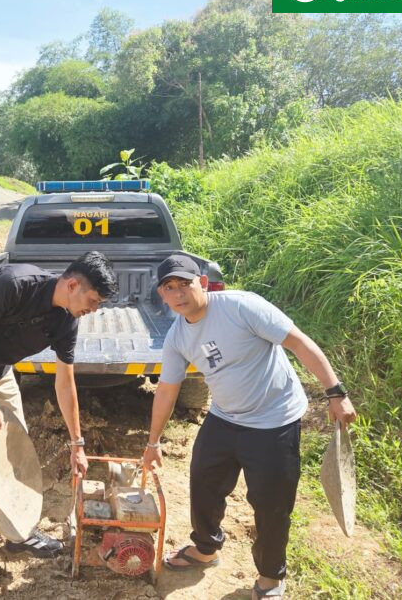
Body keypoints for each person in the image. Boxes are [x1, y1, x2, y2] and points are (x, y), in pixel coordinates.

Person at [141, 255, 357, 599]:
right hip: (225, 416)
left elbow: (298, 342)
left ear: (203, 283)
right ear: (162, 295)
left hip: (274, 420)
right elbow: (167, 389)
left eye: (185, 284)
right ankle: (206, 548)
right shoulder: (177, 337)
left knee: (271, 504)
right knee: (203, 481)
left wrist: (336, 393)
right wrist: (153, 443)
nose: (179, 293)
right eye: (170, 287)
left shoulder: (241, 307)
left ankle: (271, 577)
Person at [0, 251, 118, 562]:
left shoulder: (67, 322)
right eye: (93, 301)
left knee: (17, 443)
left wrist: (77, 444)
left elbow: (65, 383)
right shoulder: (14, 284)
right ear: (72, 285)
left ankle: (19, 532)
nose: (94, 309)